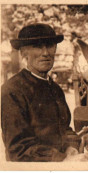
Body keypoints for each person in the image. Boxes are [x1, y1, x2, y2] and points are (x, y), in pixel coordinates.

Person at [1, 23, 82, 161]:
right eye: (38, 46)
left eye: (50, 46)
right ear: (24, 53)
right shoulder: (12, 90)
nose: (46, 53)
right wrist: (63, 159)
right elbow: (19, 149)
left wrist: (72, 148)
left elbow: (65, 130)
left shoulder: (56, 89)